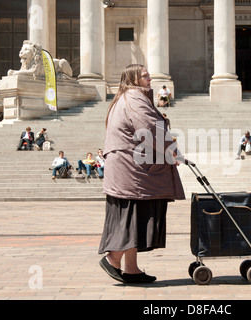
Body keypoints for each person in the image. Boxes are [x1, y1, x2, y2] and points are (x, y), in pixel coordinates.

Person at [98, 64, 185, 284]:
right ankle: (113, 259)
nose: (149, 79)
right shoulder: (135, 98)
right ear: (133, 79)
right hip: (133, 172)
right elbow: (149, 129)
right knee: (134, 216)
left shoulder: (127, 97)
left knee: (133, 215)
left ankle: (131, 269)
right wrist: (173, 153)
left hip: (128, 170)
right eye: (145, 76)